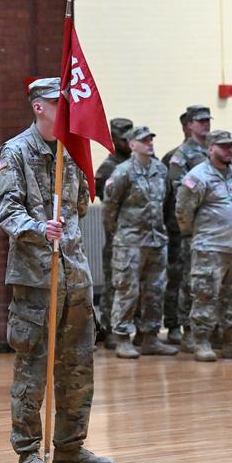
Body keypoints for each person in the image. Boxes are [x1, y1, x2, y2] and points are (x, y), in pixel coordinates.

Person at [0, 77, 114, 463]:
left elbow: (80, 205)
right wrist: (38, 228)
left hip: (75, 274)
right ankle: (28, 449)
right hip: (36, 277)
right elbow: (8, 213)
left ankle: (70, 446)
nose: (67, 108)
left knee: (78, 365)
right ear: (38, 107)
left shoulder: (72, 148)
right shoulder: (15, 153)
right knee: (33, 367)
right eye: (57, 103)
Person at [176, 130, 232, 361]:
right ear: (211, 148)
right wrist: (200, 235)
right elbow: (183, 212)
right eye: (223, 146)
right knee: (205, 295)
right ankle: (201, 341)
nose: (229, 150)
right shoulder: (198, 177)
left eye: (231, 146)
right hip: (210, 247)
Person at [102, 125, 178, 358]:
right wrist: (120, 234)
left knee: (155, 291)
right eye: (144, 140)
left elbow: (166, 202)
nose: (149, 143)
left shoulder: (161, 170)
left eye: (151, 139)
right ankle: (123, 337)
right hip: (130, 241)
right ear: (132, 144)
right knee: (127, 290)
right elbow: (110, 207)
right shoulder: (122, 172)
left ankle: (150, 337)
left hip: (156, 240)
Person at [166, 105, 212, 353]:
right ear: (189, 125)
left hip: (214, 229)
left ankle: (209, 329)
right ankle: (186, 329)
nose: (206, 124)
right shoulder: (180, 156)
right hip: (192, 230)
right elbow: (180, 192)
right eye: (200, 121)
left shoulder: (214, 150)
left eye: (207, 120)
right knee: (188, 281)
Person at [95, 117, 133, 346]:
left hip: (138, 236)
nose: (127, 143)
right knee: (113, 283)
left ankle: (128, 327)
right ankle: (108, 328)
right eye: (123, 139)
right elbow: (108, 205)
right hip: (117, 236)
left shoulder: (140, 163)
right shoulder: (108, 168)